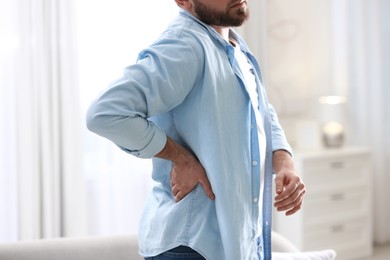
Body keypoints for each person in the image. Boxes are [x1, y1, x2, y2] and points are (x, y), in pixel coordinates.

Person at [86, 0, 306, 259]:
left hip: (232, 241)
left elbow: (260, 109)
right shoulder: (184, 46)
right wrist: (179, 157)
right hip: (190, 247)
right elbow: (105, 112)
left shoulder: (235, 47)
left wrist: (284, 162)